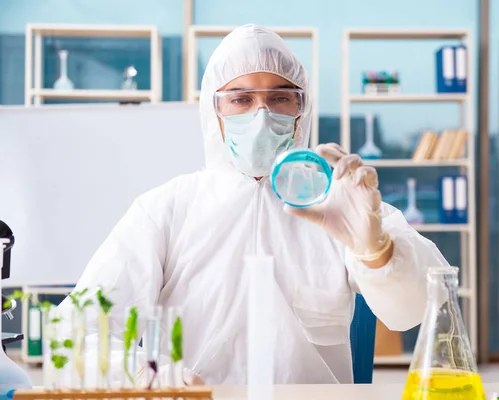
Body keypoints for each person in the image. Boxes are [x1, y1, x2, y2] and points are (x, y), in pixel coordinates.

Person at [57, 24, 448, 385]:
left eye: (280, 98)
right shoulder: (167, 209)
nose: (262, 116)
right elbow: (79, 331)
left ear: (302, 109)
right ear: (215, 112)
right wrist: (150, 376)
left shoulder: (340, 202)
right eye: (241, 99)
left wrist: (377, 251)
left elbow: (418, 311)